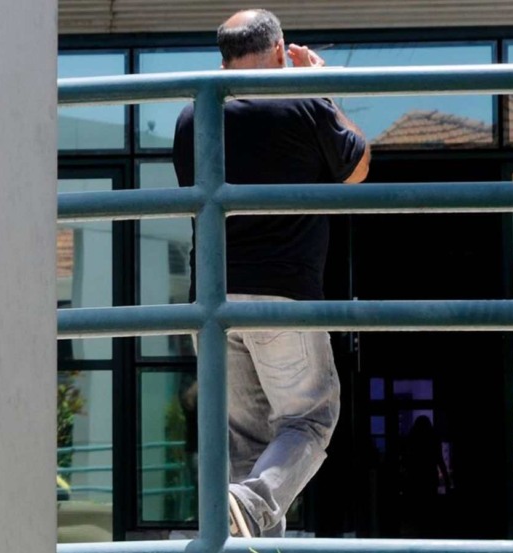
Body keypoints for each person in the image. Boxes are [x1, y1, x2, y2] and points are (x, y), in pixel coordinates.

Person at [171, 9, 371, 538]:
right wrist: (323, 90)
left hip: (213, 303)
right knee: (309, 418)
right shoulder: (304, 105)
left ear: (223, 59)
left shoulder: (195, 117)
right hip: (283, 294)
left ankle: (246, 520)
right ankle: (256, 502)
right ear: (280, 49)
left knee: (244, 441)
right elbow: (358, 169)